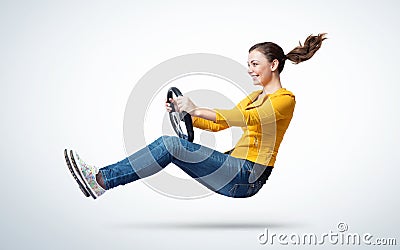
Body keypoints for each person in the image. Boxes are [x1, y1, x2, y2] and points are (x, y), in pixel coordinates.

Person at [64, 33, 327, 199]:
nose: (250, 70)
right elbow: (222, 123)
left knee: (170, 144)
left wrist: (196, 108)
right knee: (172, 146)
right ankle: (100, 181)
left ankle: (100, 180)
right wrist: (187, 114)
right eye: (248, 64)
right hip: (231, 167)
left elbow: (247, 119)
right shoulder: (253, 98)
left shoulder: (285, 100)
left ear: (274, 65)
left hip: (247, 177)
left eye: (254, 64)